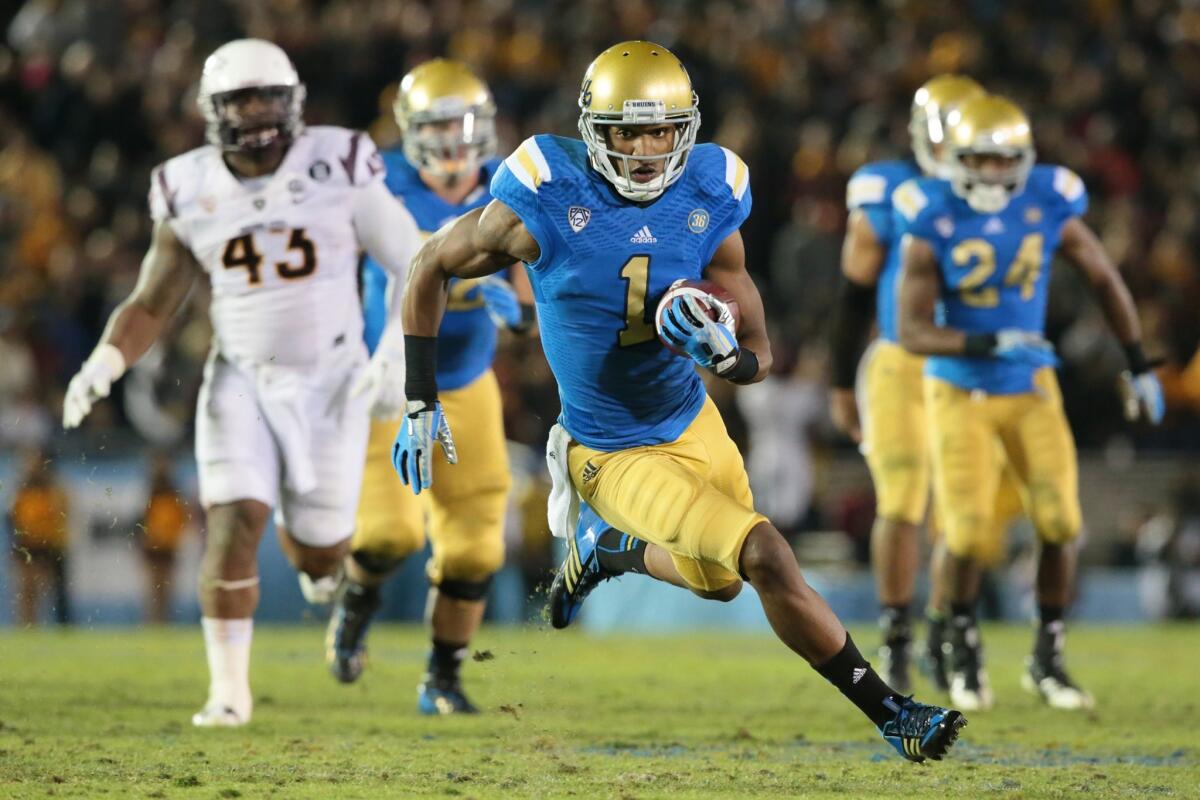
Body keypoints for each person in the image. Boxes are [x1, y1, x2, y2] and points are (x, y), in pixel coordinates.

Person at [394, 40, 965, 763]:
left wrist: (727, 355)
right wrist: (421, 398)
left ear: (685, 130)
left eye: (660, 129)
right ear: (594, 132)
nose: (644, 148)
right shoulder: (547, 190)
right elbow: (428, 266)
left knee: (722, 582)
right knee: (764, 553)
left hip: (693, 419)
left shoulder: (709, 189)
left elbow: (756, 352)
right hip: (609, 448)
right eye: (627, 131)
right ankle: (894, 713)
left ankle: (608, 552)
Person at [61, 39, 422, 727]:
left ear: (293, 103)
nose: (254, 111)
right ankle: (228, 694)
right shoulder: (187, 184)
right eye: (239, 100)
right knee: (230, 525)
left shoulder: (338, 161)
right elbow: (153, 299)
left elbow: (411, 258)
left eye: (266, 96)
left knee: (321, 547)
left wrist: (397, 355)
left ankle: (315, 555)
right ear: (212, 111)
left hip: (333, 380)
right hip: (241, 379)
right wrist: (105, 361)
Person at [896, 94, 1165, 711]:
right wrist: (987, 338)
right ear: (957, 160)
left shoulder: (1048, 199)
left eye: (1003, 160)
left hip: (1031, 385)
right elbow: (912, 330)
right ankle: (958, 636)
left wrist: (1137, 360)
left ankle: (1047, 656)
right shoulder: (931, 216)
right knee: (965, 535)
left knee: (1062, 522)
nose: (993, 173)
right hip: (960, 384)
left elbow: (1103, 274)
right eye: (980, 160)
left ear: (1024, 159)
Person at [326, 59, 534, 714]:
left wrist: (526, 311)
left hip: (467, 382)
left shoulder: (512, 182)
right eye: (438, 125)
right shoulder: (378, 180)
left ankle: (442, 679)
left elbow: (533, 291)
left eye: (464, 123)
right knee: (389, 534)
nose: (452, 139)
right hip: (390, 380)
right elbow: (368, 259)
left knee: (475, 546)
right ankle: (354, 603)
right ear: (409, 129)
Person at [829, 75, 985, 691]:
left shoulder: (1007, 192)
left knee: (965, 514)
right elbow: (853, 294)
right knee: (901, 500)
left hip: (973, 367)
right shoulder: (888, 190)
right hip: (900, 362)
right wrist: (842, 383)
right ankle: (896, 636)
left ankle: (950, 628)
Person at [7, 449, 71, 626]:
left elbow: (62, 516)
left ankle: (46, 626)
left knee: (47, 593)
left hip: (47, 547)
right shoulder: (21, 489)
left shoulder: (55, 489)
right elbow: (13, 517)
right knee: (26, 591)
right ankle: (26, 627)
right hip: (25, 545)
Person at [140, 452, 190, 624]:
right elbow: (141, 522)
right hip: (153, 547)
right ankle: (153, 621)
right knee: (154, 588)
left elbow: (181, 519)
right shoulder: (149, 492)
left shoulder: (173, 493)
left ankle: (164, 621)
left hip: (168, 547)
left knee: (167, 588)